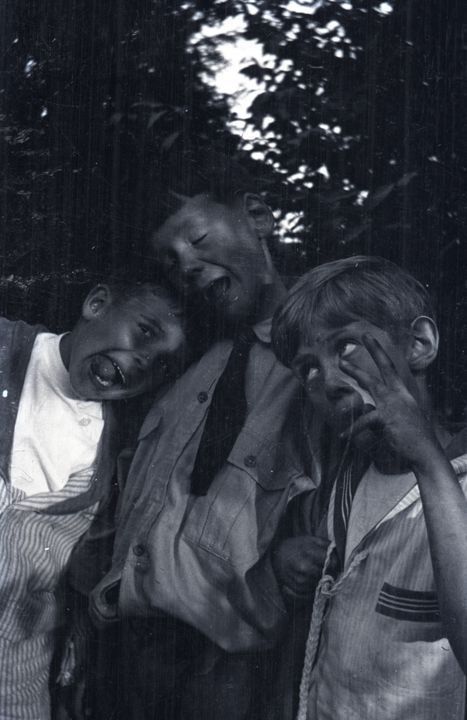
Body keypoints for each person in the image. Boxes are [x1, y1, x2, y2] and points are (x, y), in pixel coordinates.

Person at [89, 187, 321, 720]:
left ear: (257, 217)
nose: (187, 266)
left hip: (226, 670)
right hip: (126, 651)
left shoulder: (317, 366)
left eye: (197, 239)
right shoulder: (178, 362)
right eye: (171, 261)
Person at [271, 255, 467, 720]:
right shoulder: (339, 480)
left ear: (419, 344)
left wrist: (428, 462)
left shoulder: (457, 482)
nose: (328, 381)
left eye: (344, 347)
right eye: (308, 369)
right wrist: (285, 558)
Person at [0, 280, 187, 720]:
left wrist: (76, 656)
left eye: (161, 365)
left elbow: (82, 572)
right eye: (144, 332)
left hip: (16, 674)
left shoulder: (116, 448)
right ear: (97, 303)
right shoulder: (6, 346)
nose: (142, 361)